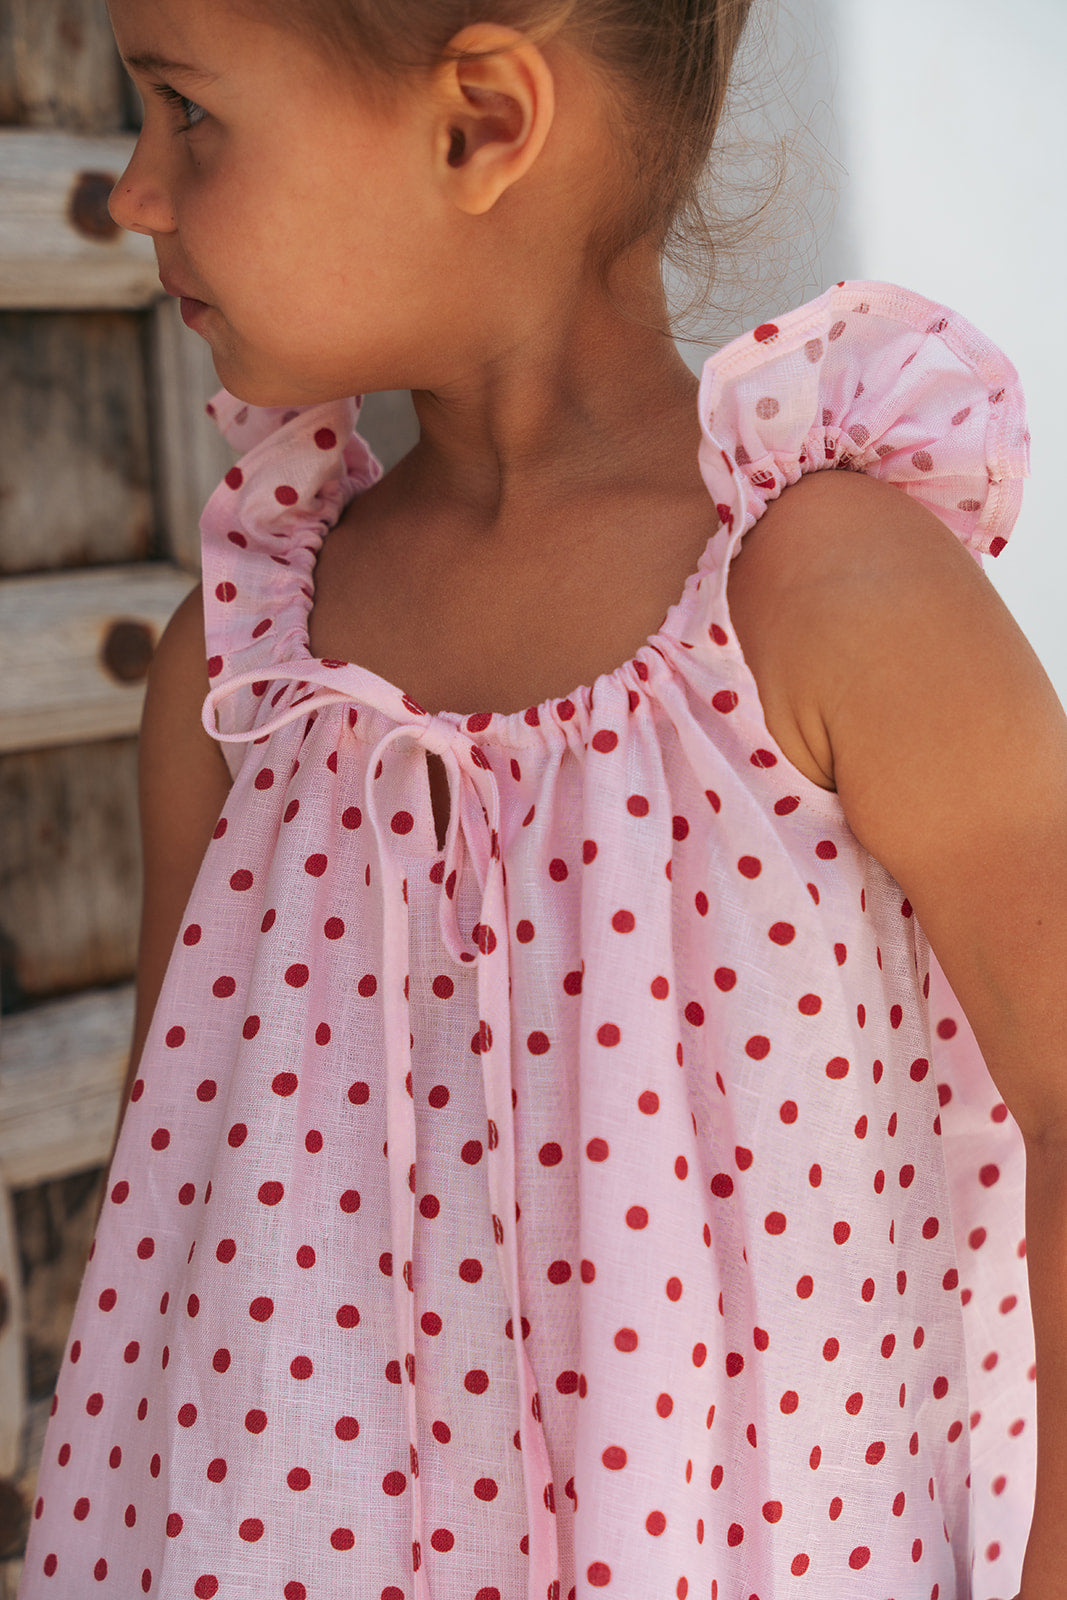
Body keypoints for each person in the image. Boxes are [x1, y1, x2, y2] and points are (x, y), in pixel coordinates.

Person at [18, 0, 1067, 1595]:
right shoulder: (239, 681)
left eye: (189, 112)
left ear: (483, 123)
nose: (134, 190)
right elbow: (173, 1253)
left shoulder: (829, 601)